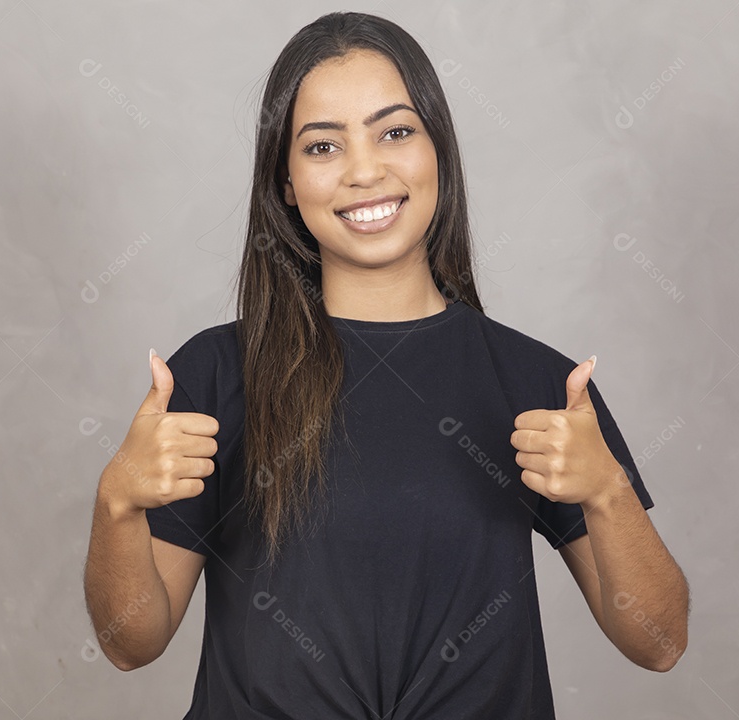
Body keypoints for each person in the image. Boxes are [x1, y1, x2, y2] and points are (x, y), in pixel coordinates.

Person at [83, 10, 690, 719]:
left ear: (438, 152)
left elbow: (660, 642)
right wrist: (116, 501)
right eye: (322, 147)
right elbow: (132, 643)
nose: (365, 171)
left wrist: (607, 492)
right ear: (285, 183)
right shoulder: (214, 376)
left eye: (395, 132)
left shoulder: (539, 388)